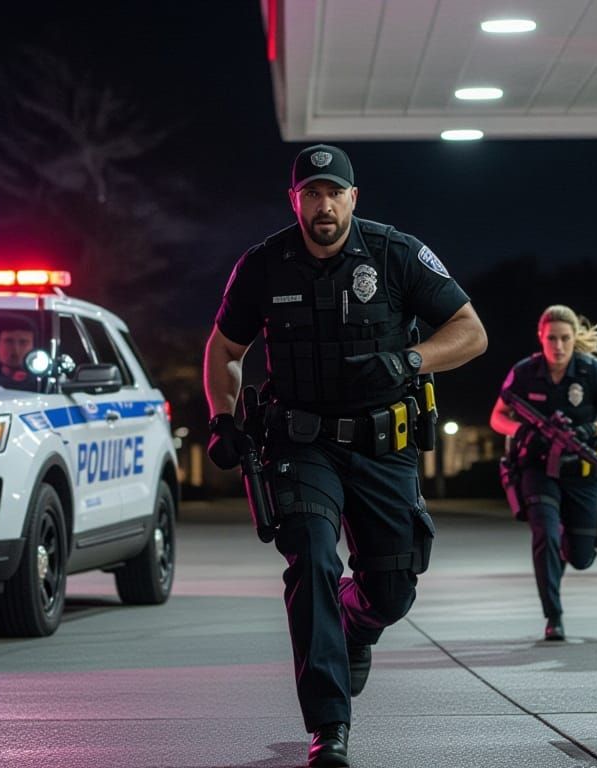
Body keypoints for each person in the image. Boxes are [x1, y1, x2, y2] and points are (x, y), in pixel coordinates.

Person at [204, 144, 486, 767]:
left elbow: (471, 332)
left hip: (384, 447)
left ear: (354, 198)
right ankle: (329, 727)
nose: (322, 204)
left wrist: (410, 359)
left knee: (392, 591)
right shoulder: (263, 266)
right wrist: (223, 420)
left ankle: (358, 625)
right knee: (310, 560)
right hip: (301, 445)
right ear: (295, 200)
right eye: (310, 193)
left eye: (334, 192)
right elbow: (224, 349)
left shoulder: (397, 254)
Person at [490, 305, 597, 642]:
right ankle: (554, 616)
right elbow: (498, 416)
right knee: (545, 535)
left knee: (581, 557)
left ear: (574, 338)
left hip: (580, 472)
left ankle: (569, 546)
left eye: (565, 338)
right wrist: (521, 431)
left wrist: (588, 430)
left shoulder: (592, 371)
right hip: (537, 470)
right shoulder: (524, 372)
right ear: (541, 337)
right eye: (551, 338)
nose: (559, 345)